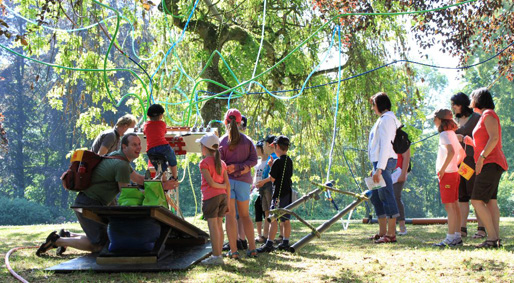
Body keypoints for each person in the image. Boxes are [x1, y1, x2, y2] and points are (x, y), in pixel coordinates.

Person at [36, 134, 177, 256]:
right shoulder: (121, 165)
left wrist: (159, 183)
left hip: (89, 202)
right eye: (134, 145)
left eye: (139, 144)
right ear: (124, 147)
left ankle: (68, 235)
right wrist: (162, 188)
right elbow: (127, 194)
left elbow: (139, 180)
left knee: (107, 239)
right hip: (89, 205)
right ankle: (57, 240)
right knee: (100, 245)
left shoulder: (117, 159)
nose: (138, 148)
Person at [461, 88, 508, 248]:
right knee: (491, 201)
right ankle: (495, 238)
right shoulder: (483, 116)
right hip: (491, 162)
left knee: (476, 200)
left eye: (472, 97)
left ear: (478, 99)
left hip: (490, 162)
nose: (470, 100)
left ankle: (492, 239)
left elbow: (494, 138)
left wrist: (481, 158)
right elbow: (487, 140)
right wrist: (471, 143)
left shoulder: (488, 114)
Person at [219, 109, 258, 259]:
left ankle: (234, 251)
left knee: (230, 216)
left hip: (227, 182)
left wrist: (230, 167)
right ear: (240, 122)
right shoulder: (247, 141)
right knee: (245, 215)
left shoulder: (222, 141)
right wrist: (241, 168)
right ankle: (253, 249)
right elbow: (254, 160)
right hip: (243, 183)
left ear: (225, 122)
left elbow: (218, 163)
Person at [367, 92, 401, 244]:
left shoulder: (387, 119)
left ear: (379, 105)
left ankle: (391, 233)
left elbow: (386, 144)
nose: (373, 108)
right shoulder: (382, 119)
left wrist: (380, 168)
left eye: (373, 105)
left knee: (386, 195)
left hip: (384, 162)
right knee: (376, 196)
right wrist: (375, 166)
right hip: (378, 163)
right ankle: (382, 231)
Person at [451, 92, 485, 239]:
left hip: (472, 161)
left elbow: (482, 139)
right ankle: (462, 228)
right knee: (462, 196)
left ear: (463, 104)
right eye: (452, 104)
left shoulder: (477, 118)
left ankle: (482, 228)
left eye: (455, 104)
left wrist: (464, 138)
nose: (453, 107)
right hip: (459, 164)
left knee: (475, 196)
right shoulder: (454, 121)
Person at [431, 109, 466, 247]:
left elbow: (451, 152)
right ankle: (456, 236)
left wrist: (443, 169)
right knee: (455, 205)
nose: (433, 122)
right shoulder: (452, 133)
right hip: (454, 173)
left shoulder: (445, 134)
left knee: (449, 206)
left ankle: (450, 238)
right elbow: (462, 153)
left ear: (440, 120)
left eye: (434, 119)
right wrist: (453, 166)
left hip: (447, 174)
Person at [197, 133, 230, 266]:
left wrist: (221, 186)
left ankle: (216, 256)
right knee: (218, 225)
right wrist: (224, 191)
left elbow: (210, 183)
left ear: (205, 148)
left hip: (211, 197)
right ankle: (219, 254)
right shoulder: (222, 163)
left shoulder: (204, 163)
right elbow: (227, 184)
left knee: (212, 227)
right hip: (223, 197)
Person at [257, 135, 294, 253]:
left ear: (277, 147)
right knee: (285, 219)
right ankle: (285, 242)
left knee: (273, 219)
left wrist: (271, 166)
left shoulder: (277, 162)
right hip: (288, 193)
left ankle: (269, 243)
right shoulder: (289, 161)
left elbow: (272, 178)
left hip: (278, 194)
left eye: (274, 147)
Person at [143, 104, 178, 181]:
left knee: (159, 167)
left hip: (150, 150)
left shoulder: (146, 125)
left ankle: (163, 180)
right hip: (163, 147)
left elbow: (144, 132)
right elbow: (164, 132)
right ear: (161, 115)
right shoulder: (162, 124)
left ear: (148, 116)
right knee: (172, 158)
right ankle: (175, 177)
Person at [253, 140, 269, 243]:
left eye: (257, 148)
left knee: (266, 212)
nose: (255, 150)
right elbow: (255, 175)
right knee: (257, 210)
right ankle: (259, 234)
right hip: (256, 190)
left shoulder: (268, 162)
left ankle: (266, 234)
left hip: (265, 189)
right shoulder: (257, 162)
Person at [393, 148, 411, 235]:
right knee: (387, 198)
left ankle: (402, 226)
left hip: (398, 173)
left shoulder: (402, 137)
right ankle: (391, 227)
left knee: (396, 196)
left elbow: (406, 157)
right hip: (387, 172)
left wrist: (403, 173)